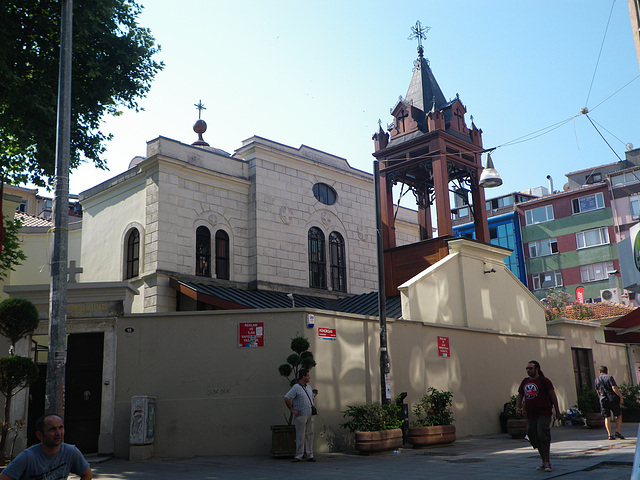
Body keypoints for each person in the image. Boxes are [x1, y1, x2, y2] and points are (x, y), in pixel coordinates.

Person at [0, 414, 92, 480]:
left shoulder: (71, 452)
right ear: (39, 435)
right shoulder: (28, 457)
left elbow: (87, 474)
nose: (58, 433)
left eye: (61, 428)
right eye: (52, 429)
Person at [515, 360, 562, 473]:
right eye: (527, 368)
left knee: (542, 434)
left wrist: (557, 411)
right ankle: (543, 461)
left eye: (530, 368)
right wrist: (519, 407)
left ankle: (547, 461)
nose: (528, 370)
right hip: (531, 414)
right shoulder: (525, 382)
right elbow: (520, 395)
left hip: (543, 413)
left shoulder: (544, 381)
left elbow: (553, 395)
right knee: (533, 435)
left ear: (537, 369)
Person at [284, 369, 316, 462]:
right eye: (307, 375)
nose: (309, 377)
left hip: (310, 414)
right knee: (300, 435)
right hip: (301, 415)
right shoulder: (296, 387)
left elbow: (311, 398)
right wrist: (292, 410)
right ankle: (299, 455)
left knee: (310, 434)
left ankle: (310, 454)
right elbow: (287, 398)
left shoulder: (309, 387)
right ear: (303, 377)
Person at [594, 365, 625, 440]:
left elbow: (597, 391)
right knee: (618, 415)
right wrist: (620, 397)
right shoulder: (609, 377)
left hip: (603, 399)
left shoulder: (597, 380)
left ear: (599, 372)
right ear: (607, 371)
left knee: (607, 417)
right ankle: (617, 432)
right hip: (612, 399)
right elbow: (614, 388)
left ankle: (609, 434)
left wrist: (601, 397)